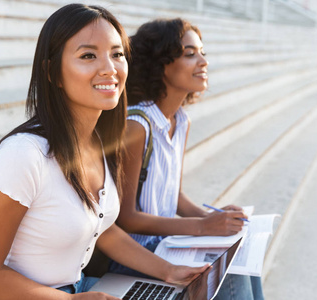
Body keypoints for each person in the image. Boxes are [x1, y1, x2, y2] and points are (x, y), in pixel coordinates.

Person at [0, 5, 209, 299]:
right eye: (88, 56)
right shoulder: (23, 154)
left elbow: (103, 228)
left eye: (117, 54)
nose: (109, 68)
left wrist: (168, 270)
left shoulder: (96, 141)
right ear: (52, 72)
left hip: (80, 288)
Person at [111, 18, 265, 300]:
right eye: (190, 53)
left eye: (203, 52)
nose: (203, 61)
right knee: (229, 272)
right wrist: (203, 227)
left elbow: (175, 195)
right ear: (161, 64)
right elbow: (126, 218)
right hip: (137, 255)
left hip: (168, 241)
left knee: (240, 252)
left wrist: (215, 218)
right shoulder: (137, 126)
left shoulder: (181, 121)